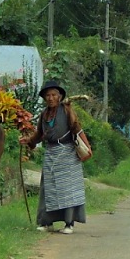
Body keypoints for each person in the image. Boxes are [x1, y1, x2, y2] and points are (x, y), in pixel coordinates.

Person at [19, 79, 91, 235]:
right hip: (51, 153)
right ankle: (47, 223)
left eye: (53, 95)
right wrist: (29, 140)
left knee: (68, 189)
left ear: (59, 96)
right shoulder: (44, 114)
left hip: (67, 153)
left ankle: (69, 223)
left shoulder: (66, 111)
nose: (50, 98)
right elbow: (39, 135)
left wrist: (85, 146)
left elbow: (76, 129)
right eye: (47, 95)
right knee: (48, 189)